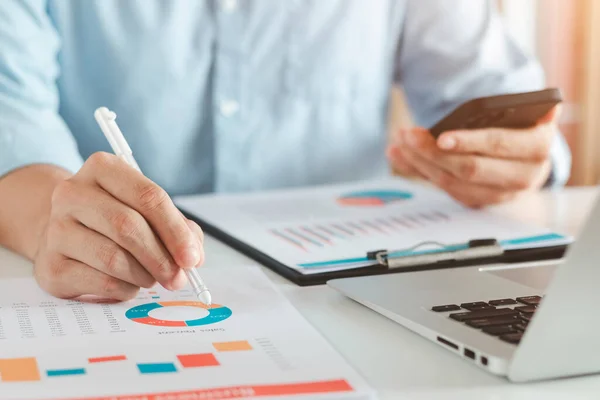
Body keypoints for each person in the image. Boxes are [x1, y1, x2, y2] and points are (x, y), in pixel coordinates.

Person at [0, 0, 571, 301]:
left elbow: (496, 102)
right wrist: (55, 222)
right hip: (120, 295)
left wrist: (517, 156)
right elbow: (11, 131)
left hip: (355, 284)